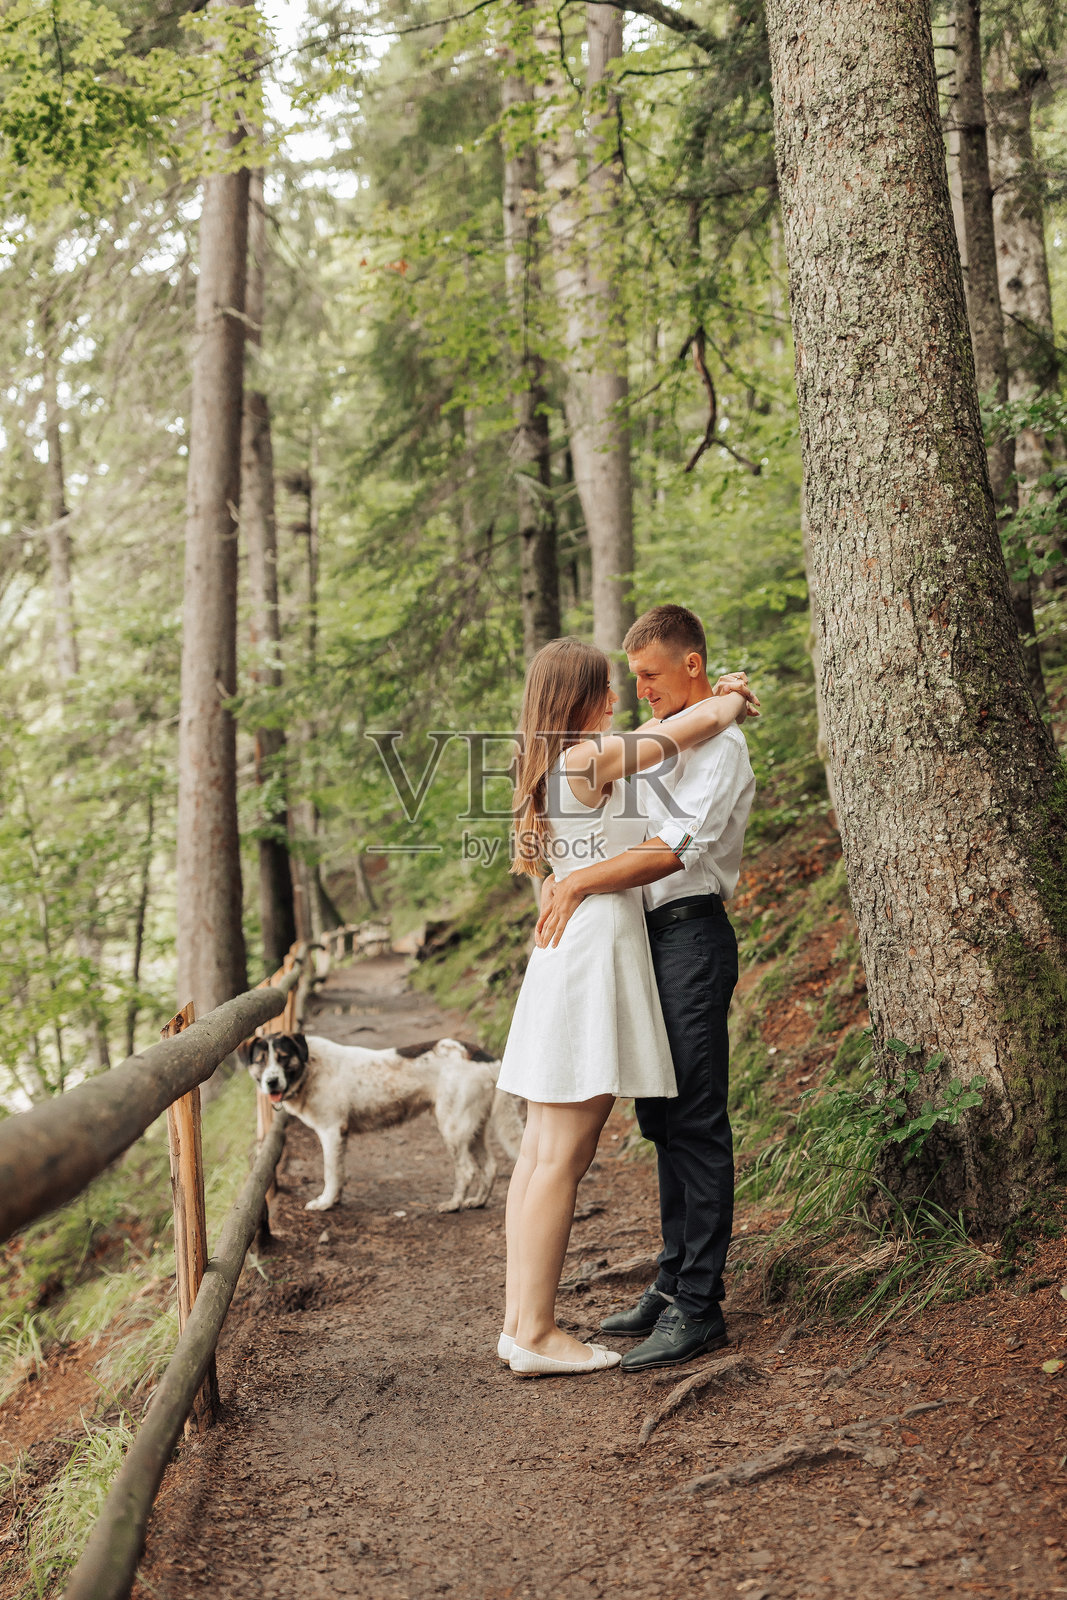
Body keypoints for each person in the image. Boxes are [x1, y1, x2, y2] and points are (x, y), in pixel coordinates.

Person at [497, 635, 757, 1378]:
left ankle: (522, 1325)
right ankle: (538, 1332)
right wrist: (729, 696)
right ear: (574, 699)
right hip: (595, 948)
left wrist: (573, 879)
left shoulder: (551, 759)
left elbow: (685, 754)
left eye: (632, 683)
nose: (619, 700)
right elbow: (690, 728)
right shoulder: (588, 757)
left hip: (591, 943)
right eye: (607, 689)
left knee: (544, 1152)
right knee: (561, 1155)